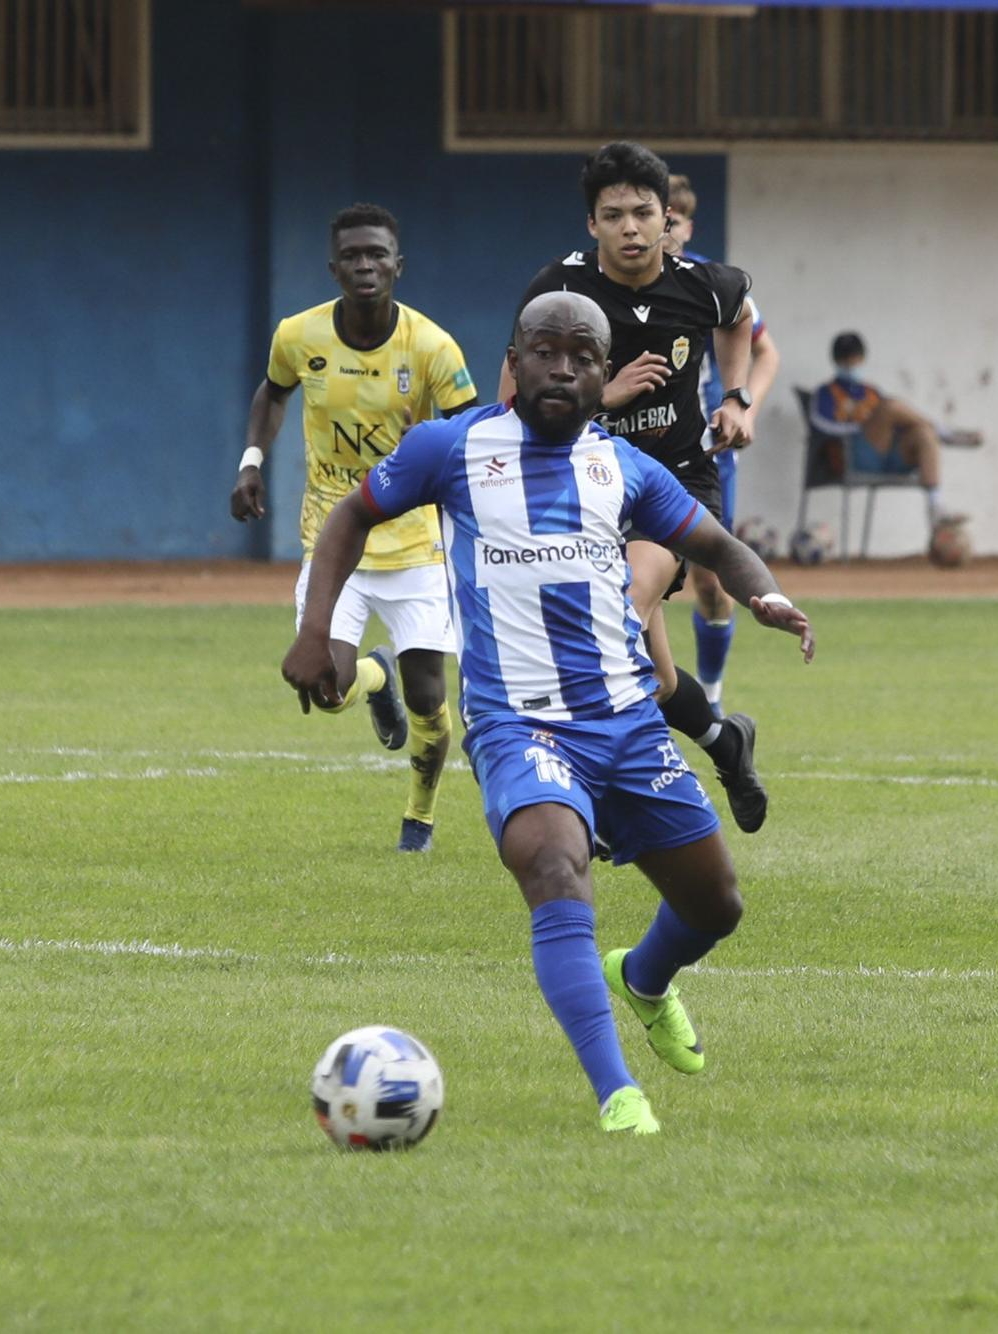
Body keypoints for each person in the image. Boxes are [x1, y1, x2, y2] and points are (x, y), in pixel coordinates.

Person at [284, 292, 815, 1135]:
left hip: (627, 722)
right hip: (517, 724)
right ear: (515, 361)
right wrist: (319, 630)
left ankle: (641, 978)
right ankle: (618, 1096)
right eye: (543, 351)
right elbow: (352, 515)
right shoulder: (450, 449)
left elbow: (714, 546)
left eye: (581, 355)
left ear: (607, 374)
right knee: (553, 866)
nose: (561, 367)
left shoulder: (626, 469)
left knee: (716, 905)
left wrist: (768, 596)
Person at [503, 143, 774, 830]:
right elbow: (513, 409)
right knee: (650, 680)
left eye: (643, 213)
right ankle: (724, 741)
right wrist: (604, 395)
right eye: (613, 214)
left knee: (612, 618)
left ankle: (593, 802)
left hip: (673, 487)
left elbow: (739, 318)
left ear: (667, 219)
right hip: (588, 494)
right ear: (591, 225)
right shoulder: (556, 295)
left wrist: (738, 398)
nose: (630, 227)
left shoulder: (703, 284)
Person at [231, 203, 477, 853]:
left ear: (398, 265)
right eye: (353, 256)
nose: (365, 266)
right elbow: (272, 392)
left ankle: (419, 818)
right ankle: (372, 677)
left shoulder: (431, 346)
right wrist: (251, 462)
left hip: (417, 545)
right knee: (325, 688)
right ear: (334, 267)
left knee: (431, 705)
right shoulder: (299, 336)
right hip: (334, 539)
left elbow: (471, 436)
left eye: (377, 255)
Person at [665, 173, 782, 718]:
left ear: (687, 225)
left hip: (704, 449)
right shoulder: (608, 281)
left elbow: (766, 353)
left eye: (670, 219)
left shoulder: (715, 284)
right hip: (631, 446)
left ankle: (709, 697)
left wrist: (744, 405)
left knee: (711, 583)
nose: (657, 229)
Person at [808, 331, 973, 542]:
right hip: (853, 455)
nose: (851, 363)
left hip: (885, 457)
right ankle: (943, 432)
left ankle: (936, 506)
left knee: (923, 434)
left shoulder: (871, 392)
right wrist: (860, 428)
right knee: (891, 406)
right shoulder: (825, 393)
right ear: (836, 360)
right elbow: (820, 425)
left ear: (862, 359)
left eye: (855, 358)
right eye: (845, 359)